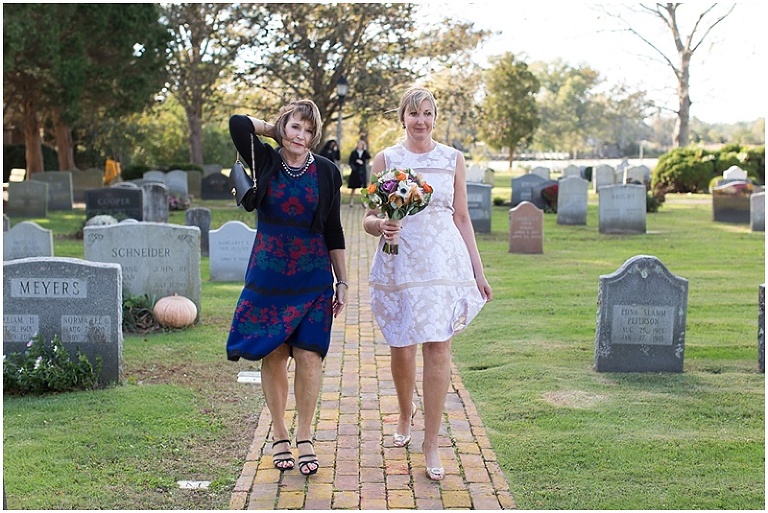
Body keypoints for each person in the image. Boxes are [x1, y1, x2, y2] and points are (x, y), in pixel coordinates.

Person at [362, 87, 492, 482]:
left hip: (442, 265)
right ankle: (405, 412)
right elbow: (368, 217)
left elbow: (463, 217)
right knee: (402, 346)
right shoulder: (387, 159)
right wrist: (380, 226)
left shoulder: (453, 159)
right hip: (400, 264)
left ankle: (431, 441)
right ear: (403, 117)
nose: (421, 120)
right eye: (414, 113)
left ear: (436, 117)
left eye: (428, 113)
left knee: (439, 346)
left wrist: (478, 271)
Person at [226, 99, 348, 477]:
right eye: (296, 127)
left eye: (309, 131)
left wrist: (342, 280)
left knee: (310, 355)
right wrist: (274, 130)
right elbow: (237, 123)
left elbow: (334, 228)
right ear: (283, 127)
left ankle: (306, 435)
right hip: (269, 273)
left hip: (312, 274)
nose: (302, 137)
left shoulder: (327, 171)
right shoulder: (265, 161)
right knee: (275, 353)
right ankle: (280, 433)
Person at [347, 139, 371, 206]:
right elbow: (350, 162)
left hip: (362, 171)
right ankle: (351, 201)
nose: (360, 146)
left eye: (361, 145)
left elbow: (369, 156)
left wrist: (365, 150)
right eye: (359, 144)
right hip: (355, 171)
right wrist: (355, 163)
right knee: (353, 187)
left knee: (364, 187)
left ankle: (364, 202)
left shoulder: (364, 152)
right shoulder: (353, 152)